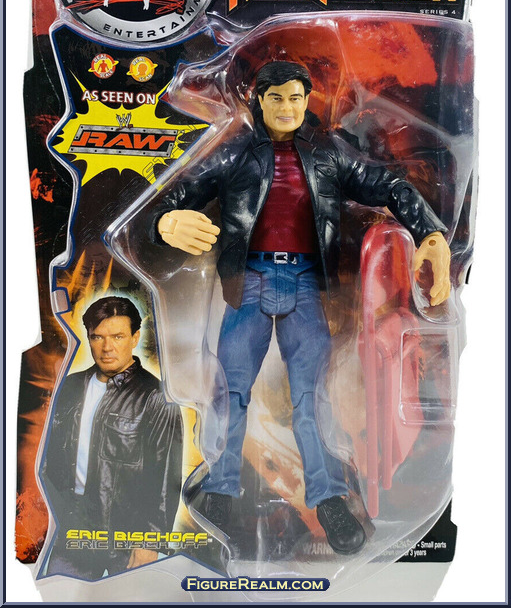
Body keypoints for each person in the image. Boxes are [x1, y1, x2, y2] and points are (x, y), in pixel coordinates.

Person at [154, 61, 451, 555]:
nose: (288, 108)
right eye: (277, 98)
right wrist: (167, 223)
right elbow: (176, 193)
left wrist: (431, 233)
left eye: (296, 98)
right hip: (247, 283)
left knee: (311, 400)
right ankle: (221, 489)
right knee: (231, 390)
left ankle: (329, 498)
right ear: (259, 101)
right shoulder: (235, 153)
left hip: (306, 284)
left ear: (307, 99)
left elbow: (390, 186)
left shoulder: (328, 153)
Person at [42, 296, 183, 579]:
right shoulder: (69, 387)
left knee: (128, 598)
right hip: (72, 528)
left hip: (127, 534)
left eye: (118, 336)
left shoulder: (156, 396)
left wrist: (149, 542)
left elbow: (166, 476)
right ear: (88, 338)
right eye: (98, 337)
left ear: (134, 338)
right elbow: (47, 459)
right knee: (60, 595)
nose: (107, 347)